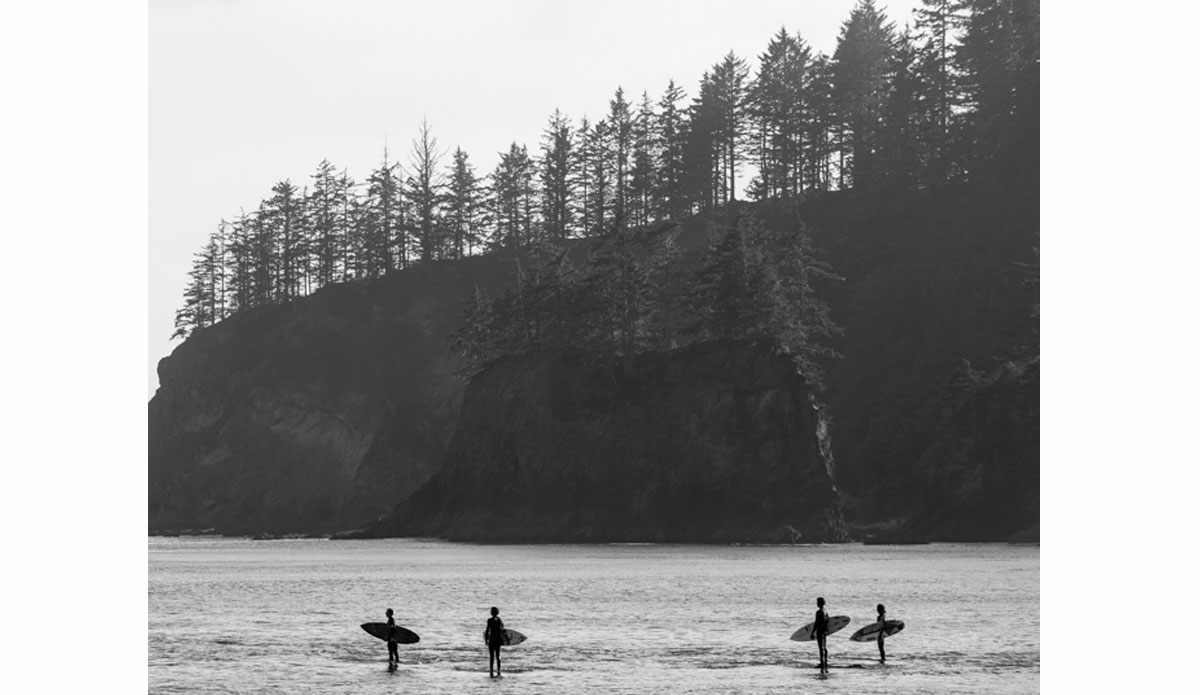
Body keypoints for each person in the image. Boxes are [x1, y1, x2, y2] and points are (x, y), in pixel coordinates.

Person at [484, 606, 505, 677]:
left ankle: (491, 670)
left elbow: (487, 630)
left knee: (491, 656)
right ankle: (499, 670)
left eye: (491, 611)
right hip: (498, 640)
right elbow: (502, 629)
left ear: (492, 612)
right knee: (498, 655)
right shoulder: (499, 620)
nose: (490, 612)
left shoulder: (489, 620)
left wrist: (486, 639)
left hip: (492, 640)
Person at [814, 597, 830, 672]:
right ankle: (825, 662)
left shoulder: (819, 612)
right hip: (824, 631)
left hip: (820, 631)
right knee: (824, 647)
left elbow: (816, 623)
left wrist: (812, 632)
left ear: (820, 603)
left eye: (817, 602)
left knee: (821, 648)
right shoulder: (825, 610)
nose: (816, 604)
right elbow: (828, 620)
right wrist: (826, 629)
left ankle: (822, 663)